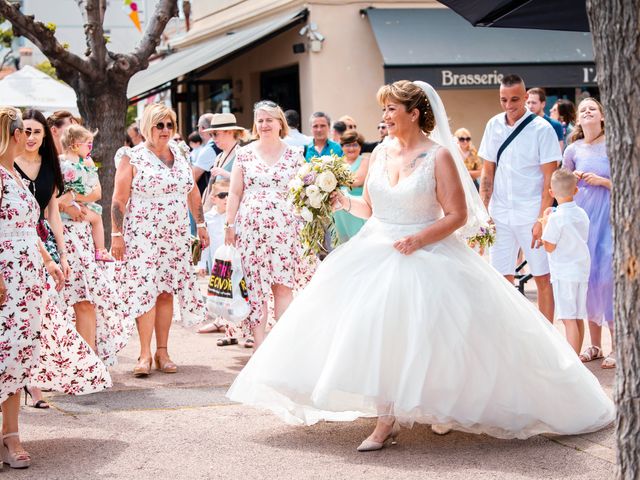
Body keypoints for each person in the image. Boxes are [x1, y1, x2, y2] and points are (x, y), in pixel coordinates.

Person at [226, 80, 614, 452]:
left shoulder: (438, 155)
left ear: (414, 112)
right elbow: (371, 209)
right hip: (374, 249)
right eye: (384, 110)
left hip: (425, 250)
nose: (385, 116)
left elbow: (457, 214)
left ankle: (435, 406)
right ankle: (386, 416)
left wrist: (418, 239)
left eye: (391, 109)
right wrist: (340, 201)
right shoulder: (379, 152)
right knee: (375, 333)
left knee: (435, 338)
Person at [0, 106, 110, 469]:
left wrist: (49, 261)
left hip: (28, 276)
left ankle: (11, 435)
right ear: (14, 135)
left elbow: (30, 227)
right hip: (5, 273)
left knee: (17, 353)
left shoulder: (16, 179)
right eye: (23, 131)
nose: (29, 138)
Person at [111, 103, 209, 377]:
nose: (165, 130)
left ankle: (162, 351)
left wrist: (200, 224)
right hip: (143, 234)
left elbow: (192, 192)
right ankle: (143, 353)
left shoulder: (180, 153)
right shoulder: (132, 157)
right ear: (147, 127)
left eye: (169, 125)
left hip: (175, 234)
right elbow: (119, 200)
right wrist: (116, 235)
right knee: (146, 291)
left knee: (166, 291)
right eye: (159, 125)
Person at [224, 100, 315, 350]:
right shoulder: (243, 154)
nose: (264, 125)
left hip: (286, 229)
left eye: (269, 120)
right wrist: (229, 225)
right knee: (256, 288)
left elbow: (305, 191)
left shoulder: (296, 155)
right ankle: (259, 347)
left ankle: (282, 348)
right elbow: (234, 194)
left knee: (283, 287)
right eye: (260, 120)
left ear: (279, 123)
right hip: (252, 230)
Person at [479, 74, 561, 322]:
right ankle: (508, 334)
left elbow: (550, 179)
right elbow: (487, 171)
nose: (509, 105)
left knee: (542, 277)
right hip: (500, 214)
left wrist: (541, 219)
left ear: (526, 97)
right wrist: (484, 211)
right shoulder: (493, 125)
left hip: (530, 214)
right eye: (503, 99)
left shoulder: (542, 129)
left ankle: (548, 338)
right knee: (501, 278)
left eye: (515, 99)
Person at [562, 98, 615, 369]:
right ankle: (595, 346)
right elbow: (561, 184)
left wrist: (603, 181)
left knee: (608, 278)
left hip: (608, 219)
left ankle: (617, 346)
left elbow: (629, 181)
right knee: (590, 278)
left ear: (602, 116)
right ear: (578, 120)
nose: (587, 111)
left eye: (592, 108)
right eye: (582, 110)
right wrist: (574, 180)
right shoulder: (573, 150)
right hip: (583, 221)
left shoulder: (614, 145)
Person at [541, 169, 590, 354]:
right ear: (575, 191)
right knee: (577, 317)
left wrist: (545, 221)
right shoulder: (582, 214)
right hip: (581, 270)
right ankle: (576, 357)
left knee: (568, 319)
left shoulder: (555, 218)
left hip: (564, 273)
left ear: (551, 193)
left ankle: (573, 362)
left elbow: (549, 246)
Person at [59, 125, 115, 262]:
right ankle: (100, 250)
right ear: (76, 145)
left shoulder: (59, 160)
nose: (91, 148)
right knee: (97, 218)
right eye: (88, 144)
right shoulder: (85, 163)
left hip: (63, 207)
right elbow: (91, 185)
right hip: (79, 205)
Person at [333, 130, 369, 243]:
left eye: (355, 144)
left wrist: (334, 180)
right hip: (339, 212)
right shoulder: (337, 162)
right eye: (348, 145)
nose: (351, 148)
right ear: (342, 147)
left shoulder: (365, 161)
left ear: (360, 146)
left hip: (357, 209)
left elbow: (358, 180)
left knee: (359, 242)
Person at [192, 113, 218, 193]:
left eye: (198, 127)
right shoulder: (215, 146)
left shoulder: (209, 149)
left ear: (202, 129)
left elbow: (192, 178)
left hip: (209, 196)